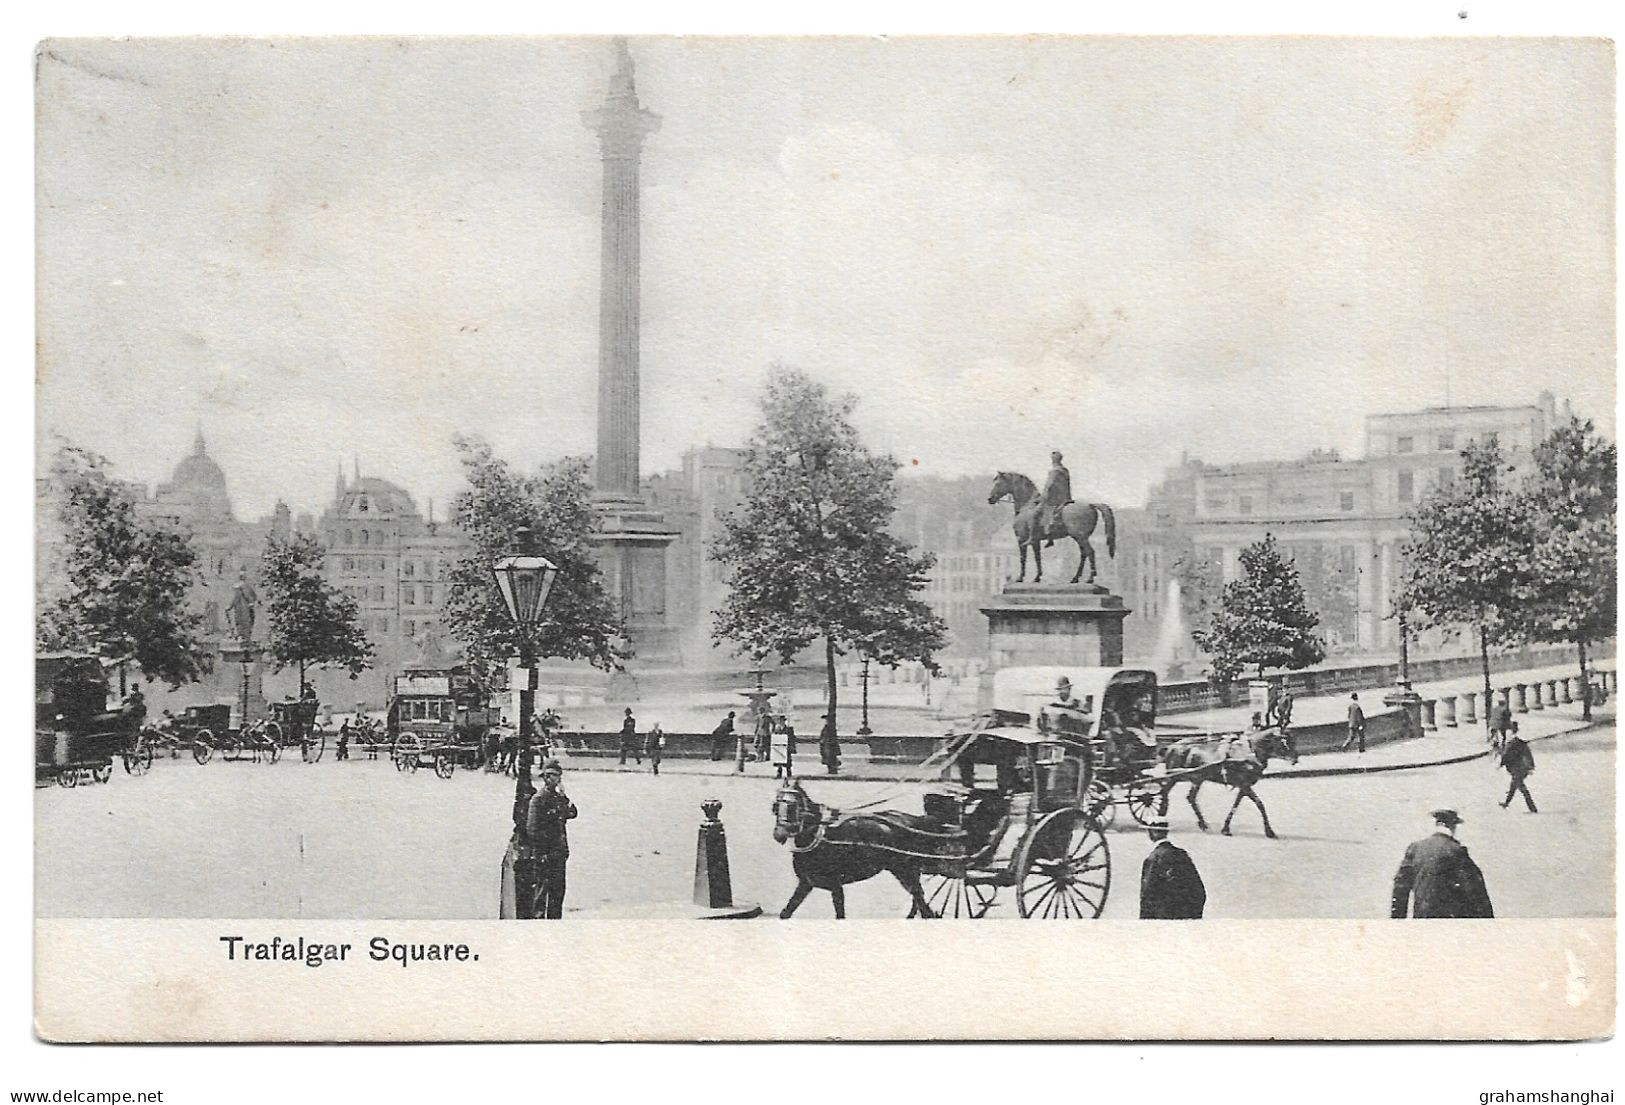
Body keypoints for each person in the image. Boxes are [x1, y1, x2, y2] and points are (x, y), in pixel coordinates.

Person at [1391, 809, 1495, 919]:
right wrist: (1488, 924)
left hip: (1422, 920)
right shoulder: (1456, 851)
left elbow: (1400, 887)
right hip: (1452, 923)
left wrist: (1397, 921)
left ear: (1436, 824)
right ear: (1453, 827)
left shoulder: (1415, 848)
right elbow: (1476, 891)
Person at [526, 759, 578, 920]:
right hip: (545, 854)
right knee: (541, 894)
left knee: (557, 894)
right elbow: (532, 829)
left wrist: (564, 797)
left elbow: (573, 813)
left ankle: (555, 925)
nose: (555, 779)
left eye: (557, 776)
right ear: (546, 778)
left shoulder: (558, 797)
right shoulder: (538, 799)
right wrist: (542, 853)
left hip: (559, 853)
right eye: (552, 776)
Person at [1139, 816, 1206, 919]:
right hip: (1185, 919)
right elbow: (1198, 890)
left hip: (1162, 921)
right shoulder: (1181, 854)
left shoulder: (1153, 858)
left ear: (1151, 832)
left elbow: (1147, 896)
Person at [1497, 725, 1538, 813]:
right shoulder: (1519, 743)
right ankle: (1506, 803)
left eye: (1508, 733)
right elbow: (1528, 755)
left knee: (1521, 788)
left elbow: (1506, 756)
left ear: (1512, 733)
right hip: (1521, 769)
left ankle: (1533, 809)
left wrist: (1500, 764)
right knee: (1514, 786)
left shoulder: (1512, 744)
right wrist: (1530, 767)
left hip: (1518, 770)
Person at [1040, 450, 1072, 547]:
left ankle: (1049, 534)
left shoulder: (1054, 471)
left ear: (1053, 460)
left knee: (1041, 510)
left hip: (1056, 499)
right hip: (1066, 498)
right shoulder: (1065, 470)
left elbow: (1049, 486)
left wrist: (1042, 497)